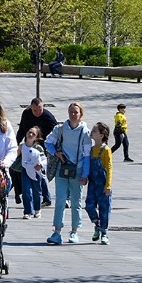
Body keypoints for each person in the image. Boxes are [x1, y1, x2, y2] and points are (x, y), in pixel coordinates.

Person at [45, 102, 91, 245]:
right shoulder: (60, 129)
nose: (73, 115)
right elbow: (48, 142)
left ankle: (74, 231)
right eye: (71, 111)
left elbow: (87, 155)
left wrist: (85, 174)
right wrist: (56, 153)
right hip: (62, 169)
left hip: (77, 171)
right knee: (60, 201)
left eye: (76, 112)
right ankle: (57, 231)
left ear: (81, 115)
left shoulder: (85, 132)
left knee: (76, 202)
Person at [13, 98, 57, 207]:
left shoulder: (48, 117)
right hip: (28, 145)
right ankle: (20, 194)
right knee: (17, 168)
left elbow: (56, 134)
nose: (37, 113)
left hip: (42, 147)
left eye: (40, 110)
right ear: (31, 108)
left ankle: (46, 197)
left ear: (43, 107)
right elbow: (22, 130)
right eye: (35, 110)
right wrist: (15, 144)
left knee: (40, 173)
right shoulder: (26, 114)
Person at [84, 122, 113, 245]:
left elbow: (109, 167)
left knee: (104, 208)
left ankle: (104, 233)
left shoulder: (106, 150)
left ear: (101, 135)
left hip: (103, 183)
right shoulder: (91, 149)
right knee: (89, 205)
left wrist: (108, 185)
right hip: (92, 183)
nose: (92, 132)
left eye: (95, 131)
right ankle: (97, 223)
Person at [18, 126, 48, 220]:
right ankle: (28, 211)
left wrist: (41, 165)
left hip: (36, 172)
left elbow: (44, 160)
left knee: (36, 191)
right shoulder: (22, 146)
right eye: (29, 132)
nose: (30, 135)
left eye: (33, 134)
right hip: (25, 170)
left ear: (36, 137)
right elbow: (14, 155)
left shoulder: (38, 148)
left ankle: (37, 209)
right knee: (26, 191)